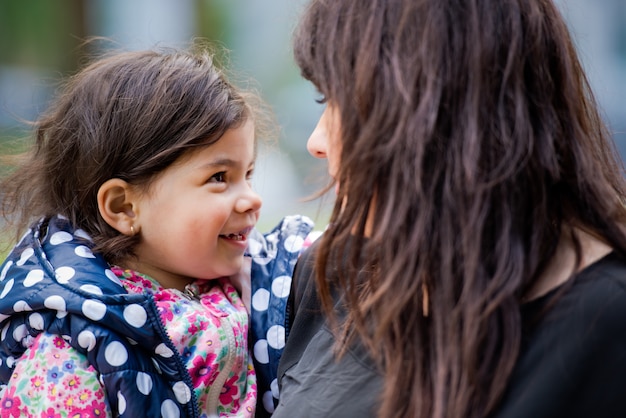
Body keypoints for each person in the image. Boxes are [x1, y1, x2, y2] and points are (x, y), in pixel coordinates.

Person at [273, 0, 626, 417]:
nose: (317, 141)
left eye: (342, 100)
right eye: (321, 99)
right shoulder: (331, 271)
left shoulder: (605, 325)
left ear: (437, 113)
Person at [0, 47, 314, 418]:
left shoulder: (250, 277)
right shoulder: (71, 353)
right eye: (219, 178)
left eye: (247, 174)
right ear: (123, 207)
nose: (252, 200)